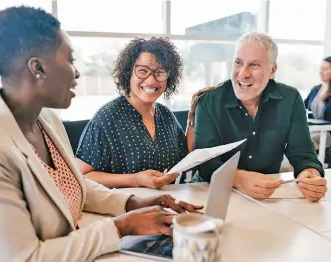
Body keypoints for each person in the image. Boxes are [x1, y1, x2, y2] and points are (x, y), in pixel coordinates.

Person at [0, 6, 204, 262]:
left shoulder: (45, 119)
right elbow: (26, 258)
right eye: (70, 60)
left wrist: (134, 202)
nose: (77, 72)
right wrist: (121, 227)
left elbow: (72, 183)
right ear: (37, 68)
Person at [194, 32, 328, 202]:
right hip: (210, 192)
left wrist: (310, 174)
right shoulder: (209, 101)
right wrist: (241, 179)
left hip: (266, 196)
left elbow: (303, 154)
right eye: (238, 63)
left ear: (272, 70)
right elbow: (205, 163)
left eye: (254, 65)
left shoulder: (290, 99)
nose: (243, 73)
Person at [76, 37, 213, 189]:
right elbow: (82, 175)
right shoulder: (107, 118)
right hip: (124, 207)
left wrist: (192, 118)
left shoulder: (165, 115)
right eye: (143, 71)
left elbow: (186, 157)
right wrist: (136, 179)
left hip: (166, 203)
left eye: (160, 72)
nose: (151, 81)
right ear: (128, 73)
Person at [304, 56, 331, 149]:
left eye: (325, 69)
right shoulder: (316, 89)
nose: (321, 72)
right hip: (314, 130)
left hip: (327, 132)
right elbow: (301, 106)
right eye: (320, 69)